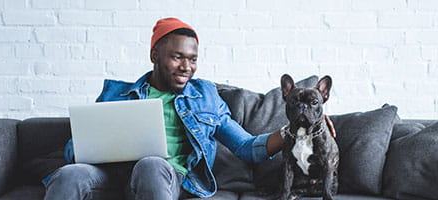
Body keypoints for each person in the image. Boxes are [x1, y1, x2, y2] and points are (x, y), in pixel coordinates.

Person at [40, 17, 284, 200]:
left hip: (165, 177)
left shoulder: (205, 97)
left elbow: (247, 147)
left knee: (151, 164)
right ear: (155, 55)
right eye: (177, 57)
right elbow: (74, 150)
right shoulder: (116, 94)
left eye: (193, 59)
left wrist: (290, 133)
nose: (186, 67)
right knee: (70, 174)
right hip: (110, 176)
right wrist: (85, 146)